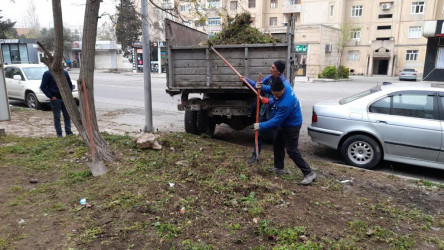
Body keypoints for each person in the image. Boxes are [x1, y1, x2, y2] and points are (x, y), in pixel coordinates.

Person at [253, 76, 316, 185]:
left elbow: (275, 121)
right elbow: (271, 91)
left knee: (292, 150)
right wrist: (262, 87)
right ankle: (279, 168)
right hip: (284, 122)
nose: (275, 96)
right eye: (274, 94)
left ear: (282, 90)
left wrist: (260, 125)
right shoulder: (285, 86)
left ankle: (308, 173)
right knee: (277, 143)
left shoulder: (286, 103)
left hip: (292, 125)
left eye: (277, 94)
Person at [240, 60, 289, 164]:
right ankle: (255, 155)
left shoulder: (284, 84)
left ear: (279, 72)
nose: (270, 69)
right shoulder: (269, 78)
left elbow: (278, 97)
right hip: (264, 111)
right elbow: (259, 85)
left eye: (273, 68)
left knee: (277, 139)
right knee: (258, 134)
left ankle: (278, 163)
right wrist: (246, 81)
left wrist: (269, 100)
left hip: (275, 114)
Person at [40, 69, 74, 138]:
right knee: (57, 117)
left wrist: (68, 94)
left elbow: (69, 85)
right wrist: (51, 96)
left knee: (67, 116)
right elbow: (43, 87)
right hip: (55, 99)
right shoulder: (47, 74)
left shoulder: (65, 73)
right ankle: (59, 134)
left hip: (65, 99)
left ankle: (68, 132)